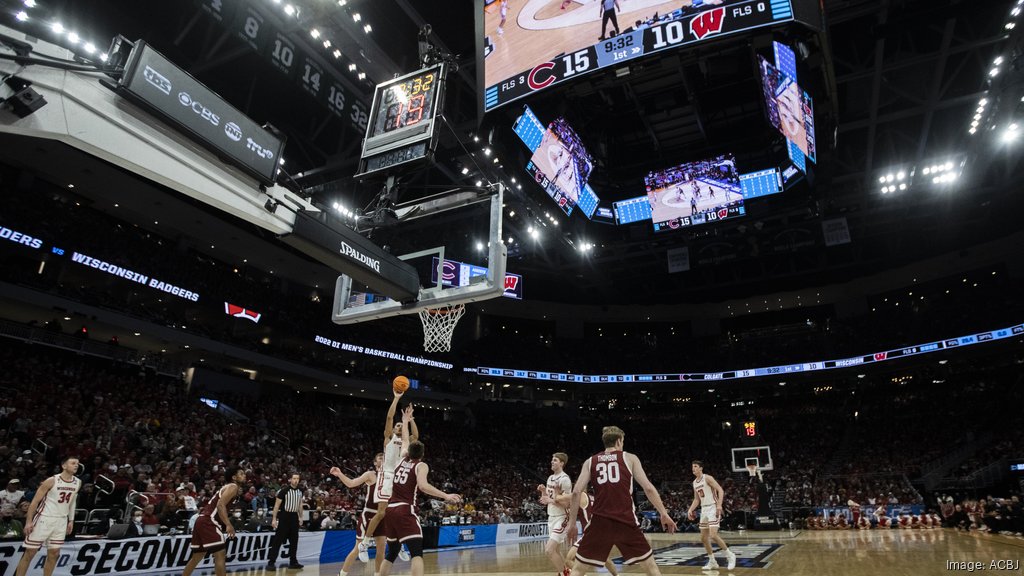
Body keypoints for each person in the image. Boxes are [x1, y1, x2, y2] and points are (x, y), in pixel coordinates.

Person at [565, 427, 676, 576]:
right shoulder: (630, 458)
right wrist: (663, 513)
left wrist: (572, 524)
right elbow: (648, 488)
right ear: (618, 441)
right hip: (625, 520)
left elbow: (576, 492)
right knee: (651, 568)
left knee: (578, 570)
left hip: (600, 522)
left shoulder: (590, 461)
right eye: (622, 441)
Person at [378, 406, 461, 576]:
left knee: (392, 553)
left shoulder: (401, 459)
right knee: (416, 553)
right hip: (405, 510)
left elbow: (406, 440)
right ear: (422, 454)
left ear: (408, 451)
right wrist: (446, 496)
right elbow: (423, 486)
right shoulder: (421, 465)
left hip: (390, 510)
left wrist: (407, 421)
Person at [358, 389, 418, 563]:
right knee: (382, 512)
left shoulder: (407, 441)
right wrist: (396, 398)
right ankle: (365, 543)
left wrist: (410, 420)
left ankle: (397, 546)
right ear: (393, 429)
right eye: (397, 426)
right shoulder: (388, 438)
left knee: (397, 515)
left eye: (401, 426)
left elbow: (417, 436)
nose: (399, 426)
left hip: (400, 479)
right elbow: (390, 418)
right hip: (387, 476)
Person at [14, 456, 80, 576]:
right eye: (73, 463)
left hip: (61, 521)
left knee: (54, 554)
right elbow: (34, 502)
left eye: (78, 463)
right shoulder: (51, 480)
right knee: (30, 553)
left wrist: (71, 520)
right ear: (64, 466)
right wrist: (29, 522)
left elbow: (72, 502)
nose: (76, 465)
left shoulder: (77, 482)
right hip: (44, 519)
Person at [181, 467, 246, 576]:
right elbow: (220, 505)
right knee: (220, 555)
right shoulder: (233, 486)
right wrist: (228, 525)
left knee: (197, 557)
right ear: (234, 477)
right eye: (241, 473)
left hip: (201, 520)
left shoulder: (229, 487)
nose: (244, 475)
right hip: (208, 521)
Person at [330, 454, 387, 576]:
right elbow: (351, 484)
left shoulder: (389, 476)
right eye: (380, 458)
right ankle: (341, 574)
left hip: (382, 516)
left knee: (381, 550)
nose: (383, 460)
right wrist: (339, 474)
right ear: (375, 462)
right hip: (369, 515)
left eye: (385, 458)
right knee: (357, 549)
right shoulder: (371, 474)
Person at [687, 460, 736, 571]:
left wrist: (719, 505)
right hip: (704, 509)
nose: (693, 468)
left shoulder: (707, 478)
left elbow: (720, 490)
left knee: (713, 535)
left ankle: (730, 555)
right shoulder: (694, 482)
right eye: (692, 466)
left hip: (713, 507)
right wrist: (690, 509)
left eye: (695, 466)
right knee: (704, 538)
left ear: (701, 468)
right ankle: (712, 561)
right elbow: (696, 499)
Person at [565, 492, 617, 576]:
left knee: (568, 559)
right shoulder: (593, 498)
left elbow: (560, 499)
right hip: (598, 532)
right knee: (605, 559)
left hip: (590, 534)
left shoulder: (581, 495)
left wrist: (554, 497)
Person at [538, 453, 571, 576]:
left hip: (562, 517)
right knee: (556, 550)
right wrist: (543, 492)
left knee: (549, 550)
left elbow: (567, 503)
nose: (552, 462)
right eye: (552, 460)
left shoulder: (565, 479)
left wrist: (550, 500)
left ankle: (563, 574)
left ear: (562, 463)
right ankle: (567, 572)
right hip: (551, 516)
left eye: (555, 460)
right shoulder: (550, 478)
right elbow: (547, 499)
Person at [267, 472, 305, 570]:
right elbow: (276, 506)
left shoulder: (301, 490)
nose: (296, 480)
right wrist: (274, 519)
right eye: (294, 478)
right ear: (290, 480)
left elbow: (300, 504)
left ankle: (293, 562)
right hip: (284, 516)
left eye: (297, 478)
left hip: (294, 517)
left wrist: (301, 517)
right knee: (278, 540)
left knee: (294, 541)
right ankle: (271, 562)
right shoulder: (284, 491)